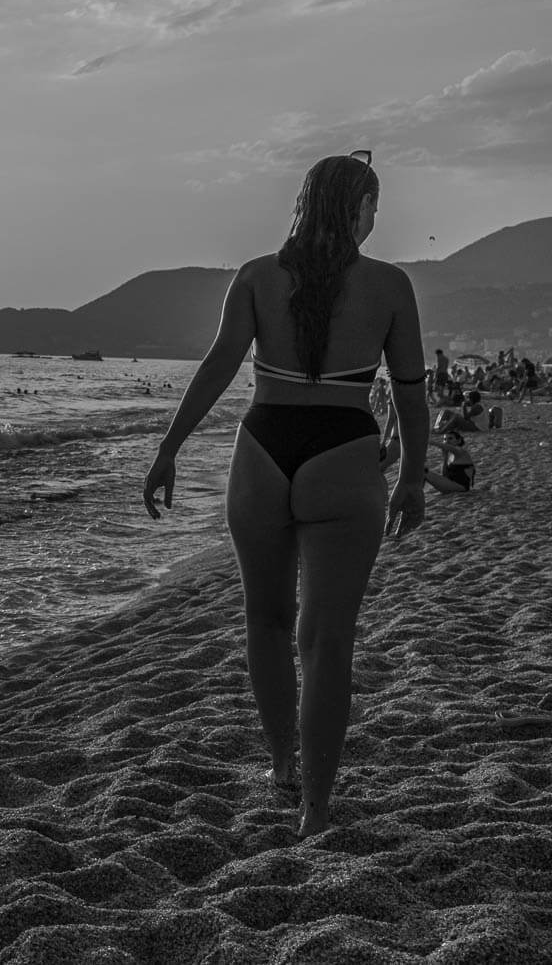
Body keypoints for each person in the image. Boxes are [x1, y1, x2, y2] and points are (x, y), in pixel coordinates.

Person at [143, 151, 427, 839]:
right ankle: (316, 810)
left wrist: (169, 447)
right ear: (355, 208)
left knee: (266, 621)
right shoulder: (390, 285)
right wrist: (414, 474)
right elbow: (414, 394)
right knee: (327, 640)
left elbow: (218, 367)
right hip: (343, 451)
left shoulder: (257, 276)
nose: (374, 219)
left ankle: (280, 765)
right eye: (373, 206)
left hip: (263, 449)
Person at [424, 428, 475, 493]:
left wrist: (427, 441)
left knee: (423, 472)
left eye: (450, 438)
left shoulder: (461, 451)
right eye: (445, 439)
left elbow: (447, 447)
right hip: (451, 485)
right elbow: (445, 476)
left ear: (458, 441)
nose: (447, 441)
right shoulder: (450, 456)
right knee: (422, 470)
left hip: (461, 488)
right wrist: (445, 458)